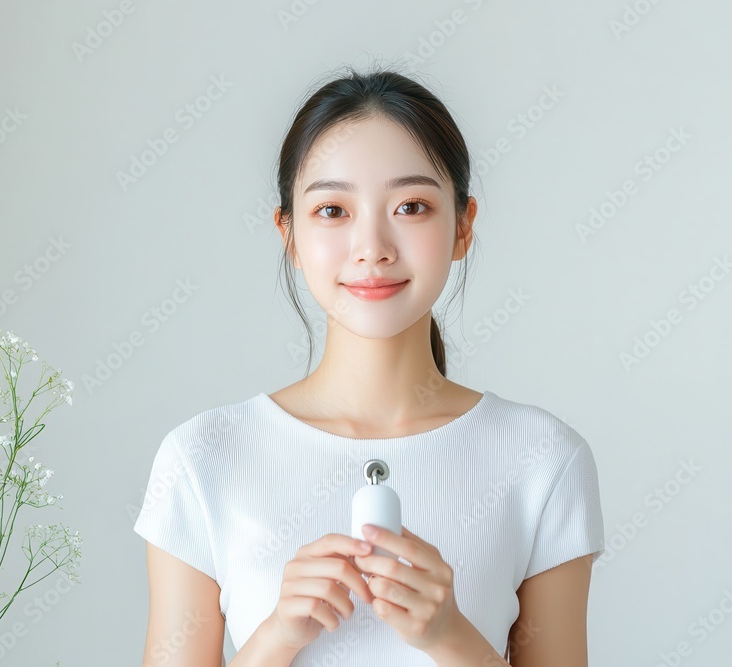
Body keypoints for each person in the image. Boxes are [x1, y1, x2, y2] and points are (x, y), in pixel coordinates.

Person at [133, 65, 606, 666]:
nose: (372, 246)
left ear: (463, 226)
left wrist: (449, 635)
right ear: (289, 234)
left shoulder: (543, 458)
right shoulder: (201, 457)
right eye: (333, 210)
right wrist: (278, 634)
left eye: (411, 206)